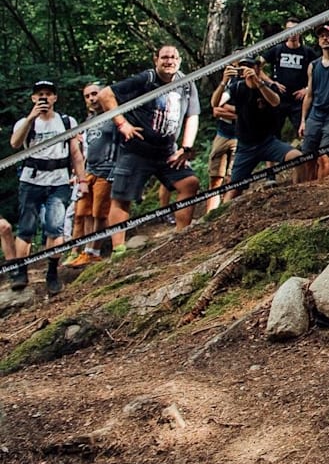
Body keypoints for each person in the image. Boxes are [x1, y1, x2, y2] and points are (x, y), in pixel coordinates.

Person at [97, 46, 202, 249]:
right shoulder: (145, 79)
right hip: (136, 150)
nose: (169, 61)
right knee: (121, 197)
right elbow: (104, 96)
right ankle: (118, 249)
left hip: (167, 151)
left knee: (189, 183)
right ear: (156, 60)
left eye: (173, 57)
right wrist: (122, 123)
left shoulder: (186, 83)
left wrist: (186, 147)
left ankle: (181, 237)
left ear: (179, 60)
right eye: (164, 57)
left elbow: (193, 115)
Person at [7, 81, 85, 292]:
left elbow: (76, 153)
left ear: (55, 98)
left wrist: (83, 179)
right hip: (31, 181)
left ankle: (52, 272)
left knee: (55, 227)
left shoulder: (67, 122)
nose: (44, 98)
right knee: (26, 229)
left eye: (48, 94)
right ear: (33, 98)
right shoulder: (25, 122)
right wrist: (32, 117)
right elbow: (15, 144)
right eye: (40, 94)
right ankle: (21, 272)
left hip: (59, 181)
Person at [215, 56, 301, 201]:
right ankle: (220, 216)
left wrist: (258, 82)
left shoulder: (268, 86)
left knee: (299, 158)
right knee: (234, 188)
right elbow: (215, 102)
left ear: (257, 68)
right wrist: (224, 81)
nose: (247, 69)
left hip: (267, 142)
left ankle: (299, 195)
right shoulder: (236, 87)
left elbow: (275, 101)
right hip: (245, 146)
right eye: (243, 67)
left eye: (250, 66)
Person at [64, 83, 118, 268]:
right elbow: (86, 148)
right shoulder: (89, 119)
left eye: (95, 94)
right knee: (83, 212)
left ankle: (94, 251)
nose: (92, 99)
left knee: (99, 213)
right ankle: (84, 251)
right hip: (89, 171)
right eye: (87, 96)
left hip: (107, 169)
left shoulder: (114, 114)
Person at [299, 24, 329, 182]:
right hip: (315, 116)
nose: (325, 38)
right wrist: (303, 120)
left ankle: (322, 187)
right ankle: (308, 188)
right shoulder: (314, 65)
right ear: (318, 41)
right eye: (322, 36)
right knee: (308, 157)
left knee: (324, 156)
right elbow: (309, 94)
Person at [265, 18, 312, 137]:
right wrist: (271, 83)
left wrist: (307, 89)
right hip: (278, 99)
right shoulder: (277, 50)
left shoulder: (307, 52)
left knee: (303, 133)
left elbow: (319, 72)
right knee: (272, 133)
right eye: (289, 30)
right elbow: (257, 67)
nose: (293, 33)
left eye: (296, 30)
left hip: (298, 102)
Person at [204, 66, 239, 211]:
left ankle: (227, 211)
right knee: (215, 177)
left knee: (233, 178)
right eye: (234, 65)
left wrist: (231, 111)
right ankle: (210, 213)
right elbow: (215, 108)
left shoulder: (254, 84)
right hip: (223, 134)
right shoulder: (228, 85)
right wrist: (224, 81)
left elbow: (249, 115)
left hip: (241, 137)